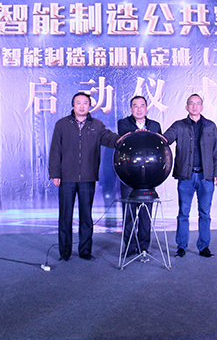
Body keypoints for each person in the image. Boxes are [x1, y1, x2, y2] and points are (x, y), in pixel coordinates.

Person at [49, 93, 119, 261]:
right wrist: (55, 174)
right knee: (65, 216)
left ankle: (85, 251)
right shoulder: (62, 124)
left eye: (85, 103)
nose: (81, 106)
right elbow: (55, 150)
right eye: (78, 103)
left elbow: (110, 139)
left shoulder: (97, 125)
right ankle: (65, 252)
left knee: (86, 216)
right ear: (73, 105)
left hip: (88, 177)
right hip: (66, 177)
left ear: (90, 106)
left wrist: (125, 138)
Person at [163, 94, 217, 258]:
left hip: (206, 176)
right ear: (186, 107)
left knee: (205, 213)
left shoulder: (210, 126)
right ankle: (181, 246)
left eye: (198, 103)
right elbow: (166, 139)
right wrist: (153, 136)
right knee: (183, 213)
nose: (195, 106)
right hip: (186, 176)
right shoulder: (179, 125)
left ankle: (204, 246)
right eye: (191, 103)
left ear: (202, 107)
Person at [117, 95, 162, 256]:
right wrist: (138, 133)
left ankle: (144, 246)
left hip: (149, 177)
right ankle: (130, 246)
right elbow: (126, 137)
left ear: (146, 108)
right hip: (128, 176)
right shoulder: (124, 123)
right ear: (131, 109)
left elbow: (160, 146)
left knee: (145, 214)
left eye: (142, 105)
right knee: (129, 213)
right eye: (135, 106)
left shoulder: (155, 125)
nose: (139, 109)